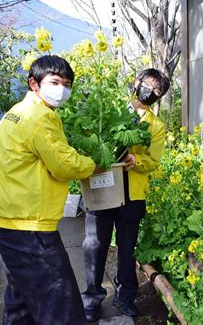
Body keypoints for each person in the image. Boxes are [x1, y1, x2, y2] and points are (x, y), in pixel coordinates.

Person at [0, 55, 97, 325]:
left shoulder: (15, 113)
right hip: (28, 229)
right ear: (34, 84)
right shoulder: (40, 117)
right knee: (62, 308)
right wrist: (93, 164)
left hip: (3, 222)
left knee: (21, 302)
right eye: (55, 82)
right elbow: (64, 164)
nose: (62, 89)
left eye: (67, 84)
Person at [81, 68, 170, 322]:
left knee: (127, 247)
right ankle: (92, 298)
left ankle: (125, 296)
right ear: (136, 82)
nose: (150, 93)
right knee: (95, 243)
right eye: (148, 85)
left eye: (156, 91)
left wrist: (136, 159)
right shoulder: (110, 108)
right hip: (103, 185)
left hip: (133, 190)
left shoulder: (156, 126)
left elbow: (153, 160)